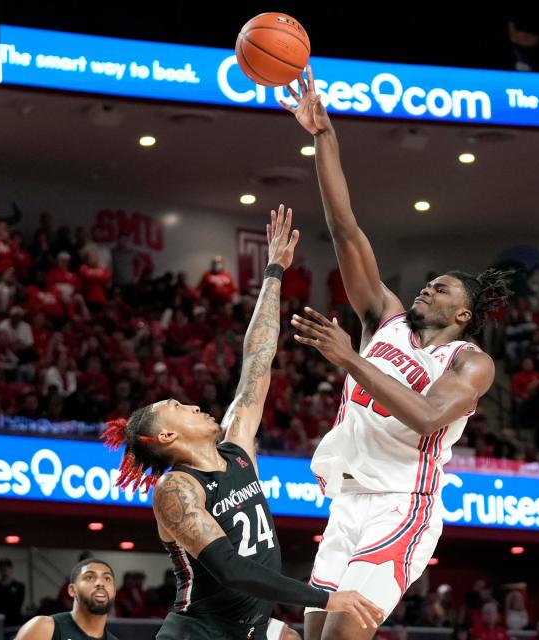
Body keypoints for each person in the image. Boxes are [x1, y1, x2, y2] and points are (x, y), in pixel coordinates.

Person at [283, 67, 508, 640]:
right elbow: (346, 228)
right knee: (315, 635)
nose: (427, 286)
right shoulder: (383, 318)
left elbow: (430, 416)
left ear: (463, 314)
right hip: (348, 500)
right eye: (429, 281)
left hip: (402, 505)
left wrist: (350, 359)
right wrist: (323, 137)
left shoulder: (469, 361)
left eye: (443, 287)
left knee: (338, 635)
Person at [103, 207, 381, 639]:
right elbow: (231, 570)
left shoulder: (236, 448)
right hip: (200, 633)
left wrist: (273, 272)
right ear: (168, 436)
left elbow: (257, 357)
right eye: (178, 405)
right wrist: (328, 598)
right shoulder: (177, 489)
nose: (192, 405)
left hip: (252, 627)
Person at [14, 559, 118, 640]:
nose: (100, 583)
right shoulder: (44, 628)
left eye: (107, 578)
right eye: (89, 577)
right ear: (72, 590)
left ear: (114, 592)